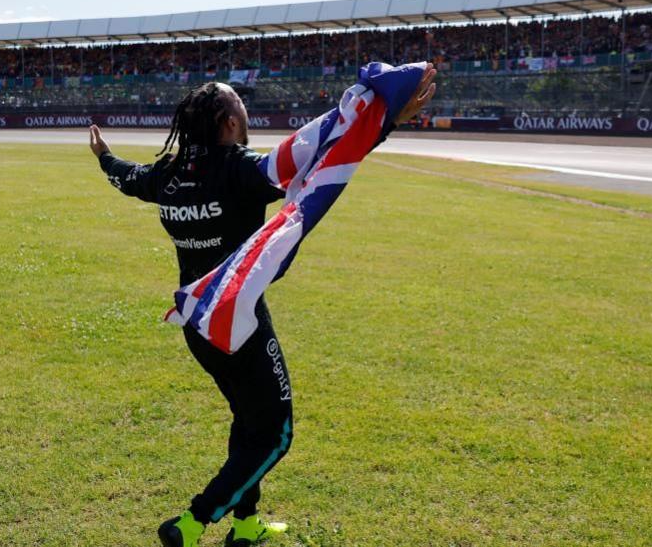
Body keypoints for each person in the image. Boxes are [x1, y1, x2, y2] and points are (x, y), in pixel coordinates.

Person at [89, 64, 437, 547]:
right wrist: (385, 115)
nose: (245, 111)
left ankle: (246, 525)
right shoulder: (241, 169)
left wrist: (104, 157)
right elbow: (322, 153)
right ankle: (192, 523)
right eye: (239, 105)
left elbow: (128, 178)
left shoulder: (167, 176)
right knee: (275, 432)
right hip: (240, 326)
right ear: (229, 122)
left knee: (247, 422)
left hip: (199, 326)